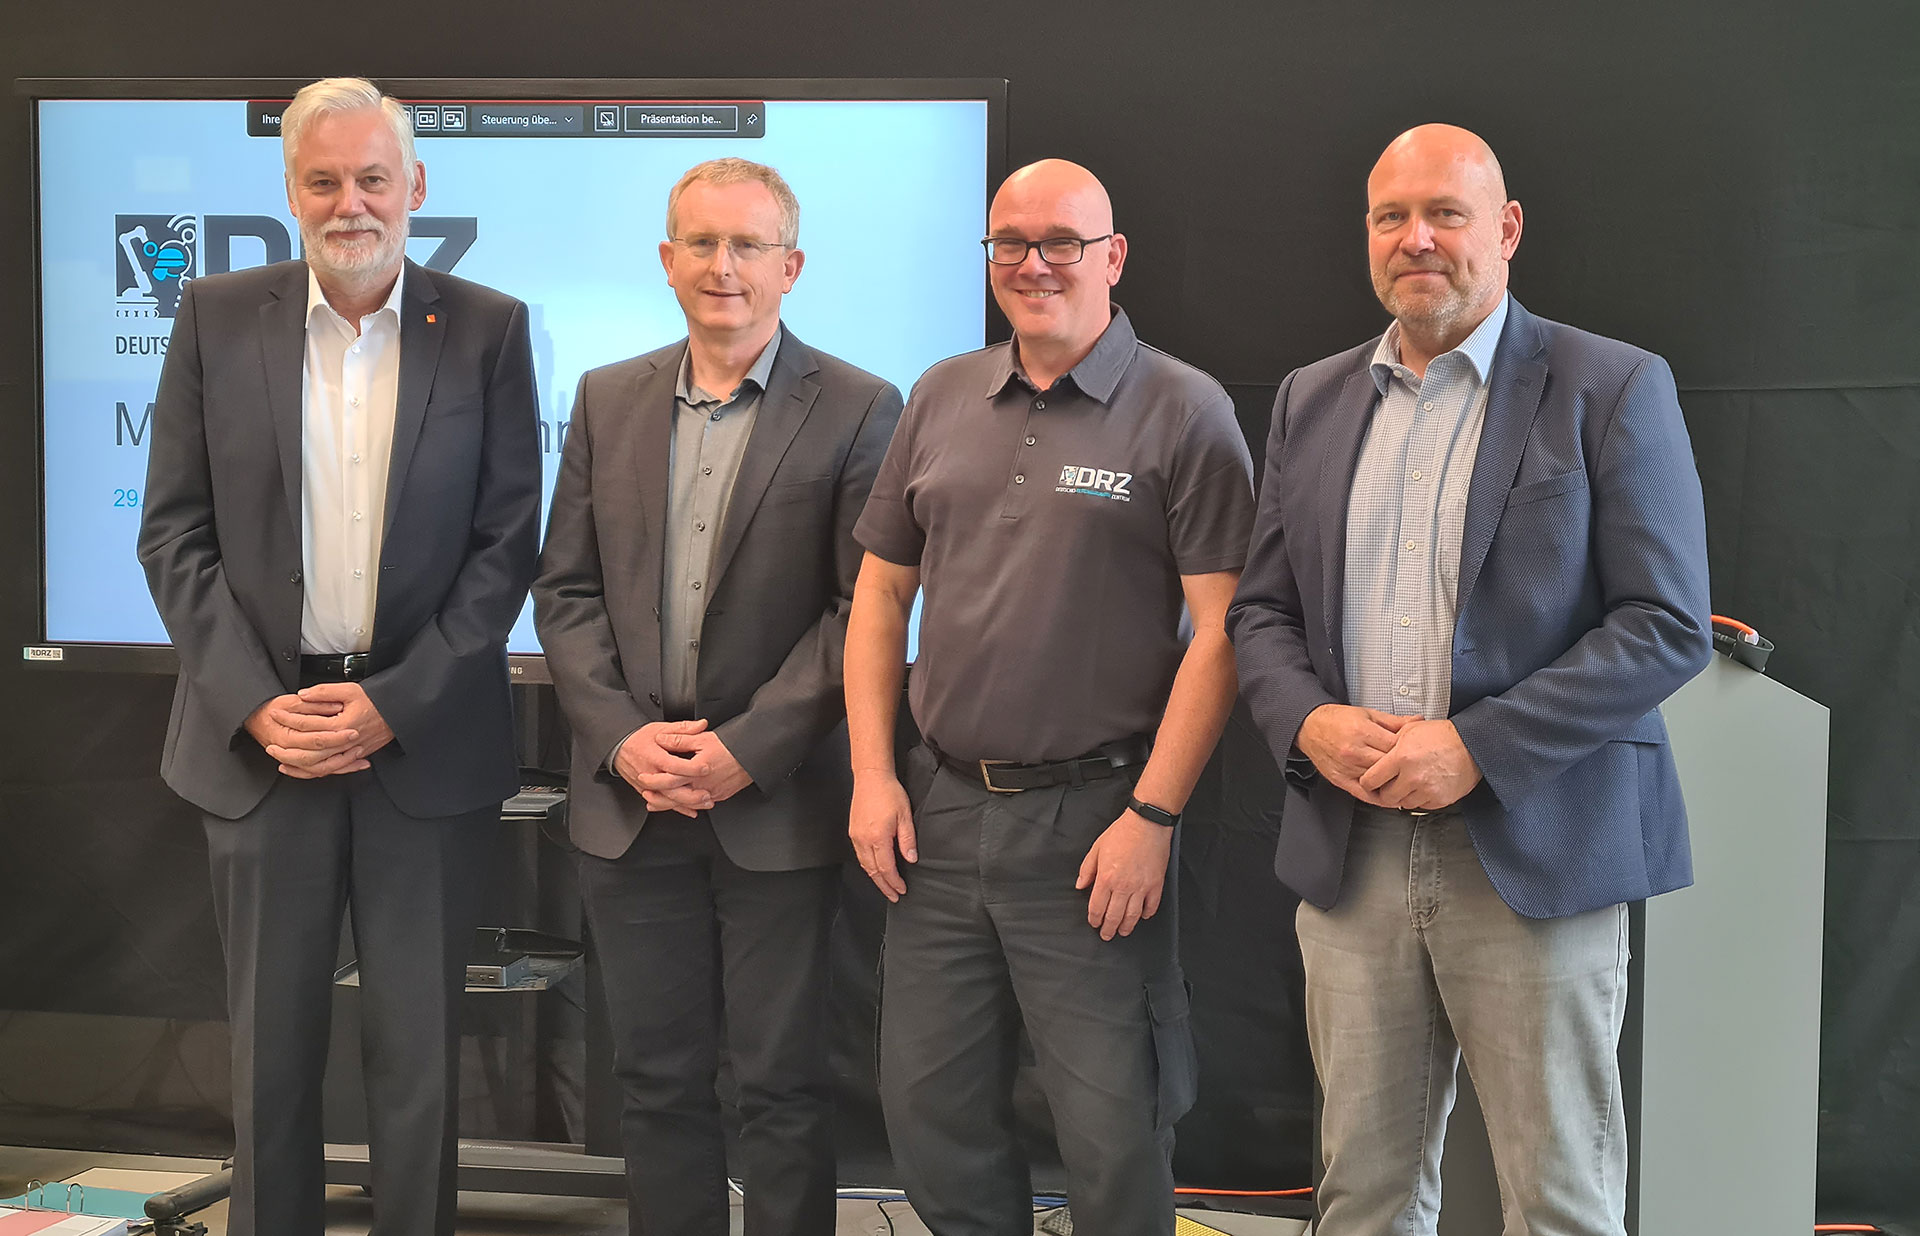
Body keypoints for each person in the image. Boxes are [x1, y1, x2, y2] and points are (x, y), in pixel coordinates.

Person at [1226, 124, 1713, 1235]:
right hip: (1352, 858)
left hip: (1536, 853)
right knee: (1364, 1198)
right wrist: (1308, 722)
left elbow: (1665, 625)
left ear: (1505, 231)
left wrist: (1475, 746)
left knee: (1559, 1203)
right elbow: (1261, 612)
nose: (1417, 239)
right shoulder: (1311, 398)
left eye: (1445, 213)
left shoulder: (1611, 385)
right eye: (1391, 216)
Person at [136, 77, 541, 1236]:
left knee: (420, 1059)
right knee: (269, 1062)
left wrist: (394, 705)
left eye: (373, 178)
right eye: (325, 180)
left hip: (422, 744)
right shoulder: (215, 316)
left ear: (415, 187)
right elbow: (174, 532)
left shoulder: (490, 327)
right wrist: (263, 705)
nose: (350, 202)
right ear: (289, 191)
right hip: (263, 748)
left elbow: (506, 542)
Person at [843, 158, 1255, 1236]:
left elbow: (1226, 631)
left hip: (1095, 827)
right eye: (1010, 244)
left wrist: (1154, 816)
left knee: (1114, 1132)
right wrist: (874, 777)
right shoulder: (940, 393)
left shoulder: (1184, 409)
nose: (1034, 264)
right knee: (930, 1113)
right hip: (937, 819)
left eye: (1061, 242)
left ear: (1112, 257)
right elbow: (881, 597)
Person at [533, 157, 903, 1236]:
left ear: (791, 267)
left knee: (783, 1087)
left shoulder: (858, 407)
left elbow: (860, 610)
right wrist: (619, 740)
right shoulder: (608, 398)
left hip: (775, 806)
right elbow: (566, 591)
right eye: (701, 243)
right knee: (654, 1081)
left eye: (747, 246)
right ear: (666, 261)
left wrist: (749, 747)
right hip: (630, 803)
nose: (723, 267)